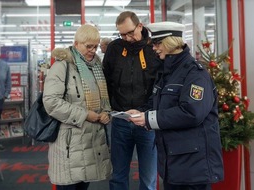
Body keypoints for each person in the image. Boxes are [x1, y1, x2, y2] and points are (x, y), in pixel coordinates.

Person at [128, 21, 224, 190]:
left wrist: (148, 119)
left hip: (193, 167)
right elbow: (158, 102)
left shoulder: (195, 74)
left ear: (171, 43)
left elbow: (192, 112)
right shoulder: (168, 72)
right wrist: (141, 112)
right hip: (173, 163)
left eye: (158, 44)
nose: (154, 48)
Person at [43, 24, 112, 190]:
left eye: (95, 46)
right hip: (69, 145)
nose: (93, 50)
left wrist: (106, 113)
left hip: (91, 143)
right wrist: (84, 115)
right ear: (76, 44)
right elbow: (51, 102)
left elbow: (104, 100)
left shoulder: (97, 68)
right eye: (89, 46)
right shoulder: (61, 67)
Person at [103, 11, 160, 190]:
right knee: (118, 176)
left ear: (140, 26)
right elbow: (106, 81)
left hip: (147, 121)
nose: (127, 38)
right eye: (122, 34)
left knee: (149, 179)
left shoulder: (154, 49)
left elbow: (159, 87)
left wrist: (144, 110)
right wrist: (112, 108)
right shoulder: (114, 49)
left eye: (130, 33)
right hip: (121, 120)